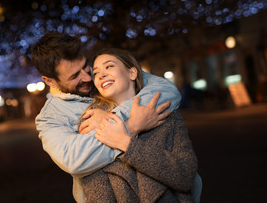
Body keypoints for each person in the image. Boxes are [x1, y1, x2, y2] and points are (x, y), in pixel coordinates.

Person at [30, 32, 201, 202]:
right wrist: (131, 125)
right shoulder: (49, 118)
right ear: (50, 81)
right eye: (75, 76)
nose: (88, 77)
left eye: (86, 66)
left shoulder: (111, 78)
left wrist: (110, 118)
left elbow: (167, 90)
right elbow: (74, 161)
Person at [80, 48, 199, 202]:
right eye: (95, 73)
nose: (101, 75)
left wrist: (126, 144)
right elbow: (98, 195)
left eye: (109, 66)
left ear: (132, 73)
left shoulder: (167, 115)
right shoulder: (94, 125)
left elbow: (185, 177)